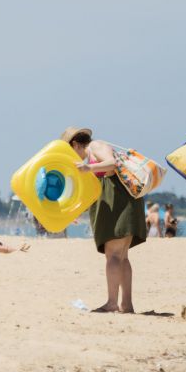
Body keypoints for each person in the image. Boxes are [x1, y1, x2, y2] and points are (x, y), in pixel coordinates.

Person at [65, 126, 147, 313]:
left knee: (114, 256)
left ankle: (112, 303)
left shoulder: (96, 145)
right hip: (120, 201)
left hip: (119, 202)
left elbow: (111, 163)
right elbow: (95, 189)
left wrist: (88, 167)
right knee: (122, 256)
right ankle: (126, 304)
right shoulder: (92, 154)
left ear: (76, 144)